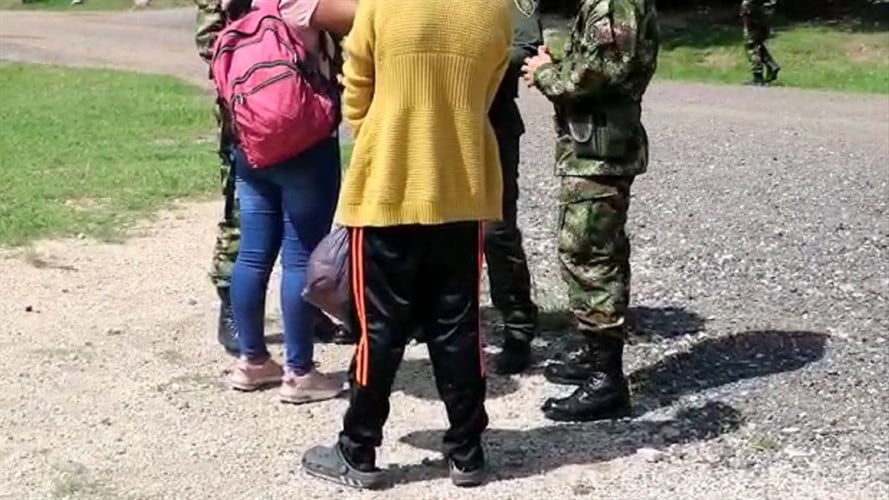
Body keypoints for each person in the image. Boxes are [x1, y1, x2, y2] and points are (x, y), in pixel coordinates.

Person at [301, 0, 512, 489]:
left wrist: (377, 132)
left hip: (391, 184)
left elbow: (356, 85)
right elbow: (487, 91)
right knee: (459, 325)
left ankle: (358, 449)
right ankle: (467, 450)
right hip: (463, 182)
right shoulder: (497, 9)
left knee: (380, 328)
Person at [212, 0, 356, 403]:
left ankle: (252, 362)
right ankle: (299, 373)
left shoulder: (252, 7)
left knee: (253, 254)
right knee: (299, 257)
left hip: (251, 140)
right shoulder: (303, 4)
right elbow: (374, 17)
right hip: (303, 147)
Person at [521, 0, 659, 422]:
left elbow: (595, 75)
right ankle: (593, 353)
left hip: (600, 153)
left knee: (590, 255)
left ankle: (606, 379)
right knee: (589, 250)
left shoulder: (614, 4)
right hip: (594, 147)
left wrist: (544, 72)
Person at [485, 0, 543, 376]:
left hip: (492, 120)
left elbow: (525, 49)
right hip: (434, 118)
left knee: (496, 229)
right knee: (431, 223)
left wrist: (463, 57)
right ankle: (434, 315)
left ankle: (518, 327)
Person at [741, 0, 780, 86]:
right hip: (763, 14)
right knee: (756, 43)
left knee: (751, 45)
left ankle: (758, 77)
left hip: (754, 15)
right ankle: (771, 65)